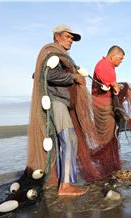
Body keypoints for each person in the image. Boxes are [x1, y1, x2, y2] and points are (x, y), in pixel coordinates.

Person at [27, 24, 87, 196]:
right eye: (68, 37)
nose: (71, 41)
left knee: (64, 141)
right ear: (57, 36)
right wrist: (73, 77)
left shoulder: (59, 55)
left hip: (59, 101)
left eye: (72, 38)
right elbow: (45, 74)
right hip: (55, 101)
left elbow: (38, 73)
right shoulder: (52, 52)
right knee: (69, 139)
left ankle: (62, 181)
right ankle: (65, 186)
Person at [91, 45, 125, 171]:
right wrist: (115, 85)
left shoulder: (109, 66)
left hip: (107, 106)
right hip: (102, 108)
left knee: (111, 134)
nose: (121, 61)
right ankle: (105, 163)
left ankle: (109, 161)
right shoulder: (103, 64)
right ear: (113, 56)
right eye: (120, 58)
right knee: (106, 135)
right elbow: (108, 80)